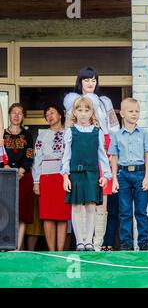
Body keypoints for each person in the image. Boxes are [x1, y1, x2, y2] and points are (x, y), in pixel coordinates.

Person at [63, 67, 120, 251]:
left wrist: (111, 159)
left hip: (102, 147)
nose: (90, 83)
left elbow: (114, 127)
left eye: (94, 80)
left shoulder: (104, 102)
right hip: (80, 151)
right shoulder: (73, 102)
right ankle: (81, 241)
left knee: (100, 202)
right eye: (87, 80)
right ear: (80, 82)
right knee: (79, 202)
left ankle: (96, 243)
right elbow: (68, 132)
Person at [61, 96, 111, 251]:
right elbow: (66, 155)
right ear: (74, 112)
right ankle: (79, 242)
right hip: (76, 173)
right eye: (79, 110)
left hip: (92, 174)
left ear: (92, 112)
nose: (83, 113)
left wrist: (106, 175)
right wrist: (65, 176)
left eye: (86, 110)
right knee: (76, 207)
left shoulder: (97, 132)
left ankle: (89, 241)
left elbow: (102, 155)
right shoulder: (70, 131)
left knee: (91, 206)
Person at [109, 98, 148, 251]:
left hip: (140, 174)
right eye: (131, 111)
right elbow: (114, 158)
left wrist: (147, 177)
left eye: (137, 111)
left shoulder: (144, 133)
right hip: (123, 175)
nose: (134, 114)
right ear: (122, 113)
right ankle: (126, 243)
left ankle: (144, 242)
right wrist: (114, 179)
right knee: (125, 211)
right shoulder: (117, 135)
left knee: (141, 211)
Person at [32, 104, 71, 251]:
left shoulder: (69, 133)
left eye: (52, 113)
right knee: (48, 215)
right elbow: (37, 158)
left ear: (60, 115)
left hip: (63, 177)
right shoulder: (42, 134)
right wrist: (36, 181)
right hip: (46, 177)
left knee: (62, 215)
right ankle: (51, 251)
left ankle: (60, 251)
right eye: (47, 114)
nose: (49, 116)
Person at [1, 103, 34, 250]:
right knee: (5, 211)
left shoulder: (27, 135)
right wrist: (6, 167)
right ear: (9, 114)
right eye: (13, 112)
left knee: (22, 213)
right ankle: (4, 244)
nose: (16, 115)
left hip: (23, 177)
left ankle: (18, 248)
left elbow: (29, 155)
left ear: (23, 117)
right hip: (5, 178)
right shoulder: (2, 134)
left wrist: (21, 169)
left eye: (19, 113)